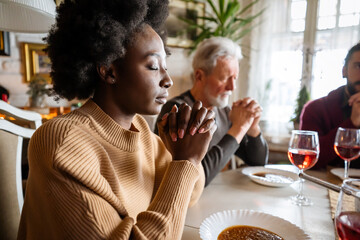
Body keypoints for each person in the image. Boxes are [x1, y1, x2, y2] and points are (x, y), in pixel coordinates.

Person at [18, 0, 217, 239]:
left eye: (166, 65)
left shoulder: (141, 131)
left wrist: (184, 153)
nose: (168, 80)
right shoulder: (62, 142)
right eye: (154, 66)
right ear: (109, 71)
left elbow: (190, 196)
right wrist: (185, 162)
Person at [155, 37, 268, 186]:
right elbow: (198, 179)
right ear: (199, 76)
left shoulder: (224, 112)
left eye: (234, 78)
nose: (232, 87)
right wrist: (239, 128)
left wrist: (252, 127)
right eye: (225, 78)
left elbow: (258, 163)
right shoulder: (176, 111)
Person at [300, 43, 360, 169]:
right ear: (344, 71)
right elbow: (307, 161)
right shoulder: (315, 110)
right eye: (358, 66)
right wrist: (352, 123)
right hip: (324, 186)